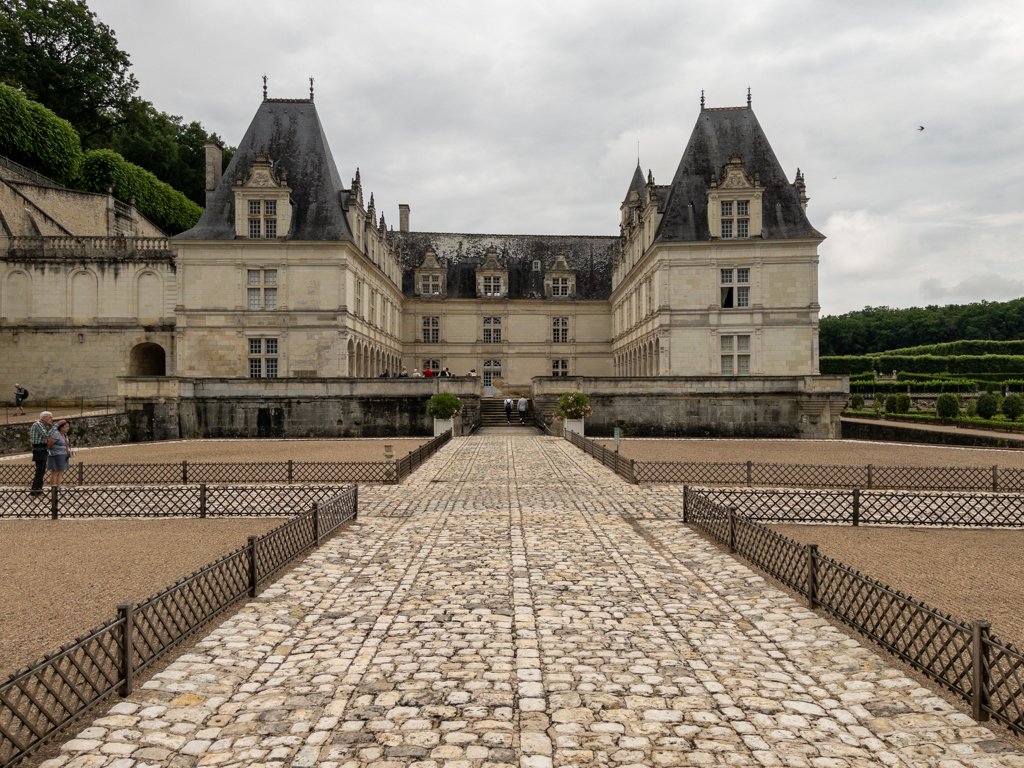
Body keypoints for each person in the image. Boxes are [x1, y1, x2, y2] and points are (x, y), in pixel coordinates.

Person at [28, 410, 54, 495]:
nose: (52, 419)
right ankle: (35, 490)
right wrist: (55, 426)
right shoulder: (38, 424)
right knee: (40, 470)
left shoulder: (44, 425)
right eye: (50, 418)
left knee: (41, 470)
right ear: (44, 418)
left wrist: (51, 426)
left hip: (42, 448)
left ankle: (38, 489)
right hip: (39, 448)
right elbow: (46, 435)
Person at [47, 419, 72, 487]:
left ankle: (58, 486)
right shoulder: (56, 434)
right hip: (56, 455)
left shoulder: (65, 434)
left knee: (61, 471)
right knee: (55, 471)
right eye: (66, 426)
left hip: (63, 454)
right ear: (61, 427)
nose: (68, 428)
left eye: (68, 426)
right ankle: (53, 487)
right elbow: (49, 444)